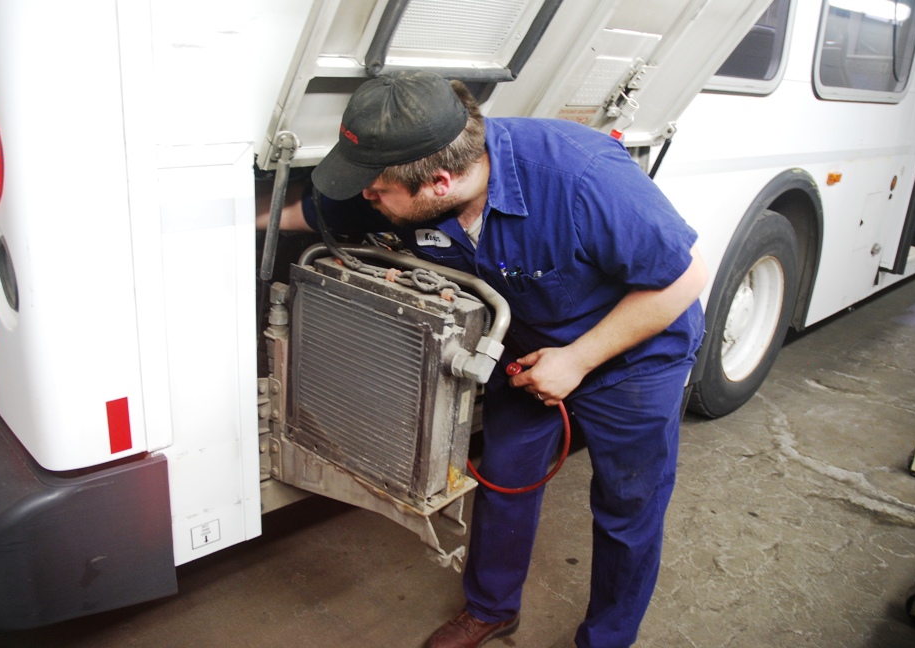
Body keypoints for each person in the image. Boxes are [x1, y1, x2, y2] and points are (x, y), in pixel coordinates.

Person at [263, 69, 708, 648]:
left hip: (634, 356)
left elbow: (685, 278)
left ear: (439, 182)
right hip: (528, 348)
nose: (366, 198)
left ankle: (607, 638)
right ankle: (492, 607)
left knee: (628, 506)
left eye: (374, 191)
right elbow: (315, 211)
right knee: (505, 478)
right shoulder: (410, 183)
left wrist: (576, 361)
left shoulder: (580, 175)